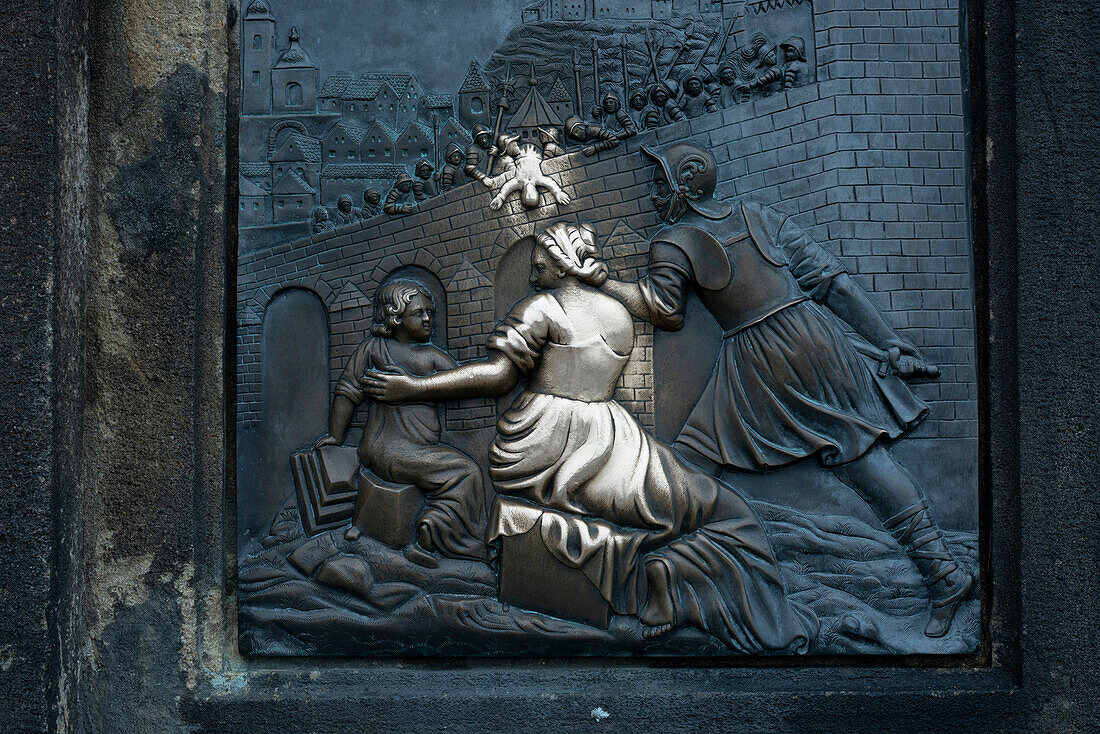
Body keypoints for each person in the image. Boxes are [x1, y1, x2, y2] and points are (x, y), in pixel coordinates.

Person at [363, 222, 817, 654]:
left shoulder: (541, 308)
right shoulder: (618, 313)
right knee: (717, 508)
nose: (532, 270)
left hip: (542, 443)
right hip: (607, 437)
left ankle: (662, 576)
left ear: (562, 262)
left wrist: (413, 388)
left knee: (690, 507)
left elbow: (501, 377)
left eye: (540, 260)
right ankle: (672, 578)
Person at [599, 141, 974, 637]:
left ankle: (650, 584)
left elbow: (665, 311)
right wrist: (889, 341)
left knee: (691, 463)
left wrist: (603, 282)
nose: (651, 193)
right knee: (859, 456)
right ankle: (941, 572)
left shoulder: (673, 241)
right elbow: (832, 284)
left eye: (658, 180)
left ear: (683, 184)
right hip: (815, 339)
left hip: (760, 358)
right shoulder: (759, 216)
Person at [314, 279, 487, 562]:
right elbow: (347, 392)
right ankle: (432, 532)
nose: (428, 318)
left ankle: (418, 526)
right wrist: (336, 435)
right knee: (465, 472)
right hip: (395, 451)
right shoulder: (377, 350)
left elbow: (461, 383)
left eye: (430, 312)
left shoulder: (418, 354)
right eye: (418, 313)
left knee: (454, 468)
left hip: (396, 451)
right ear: (395, 317)